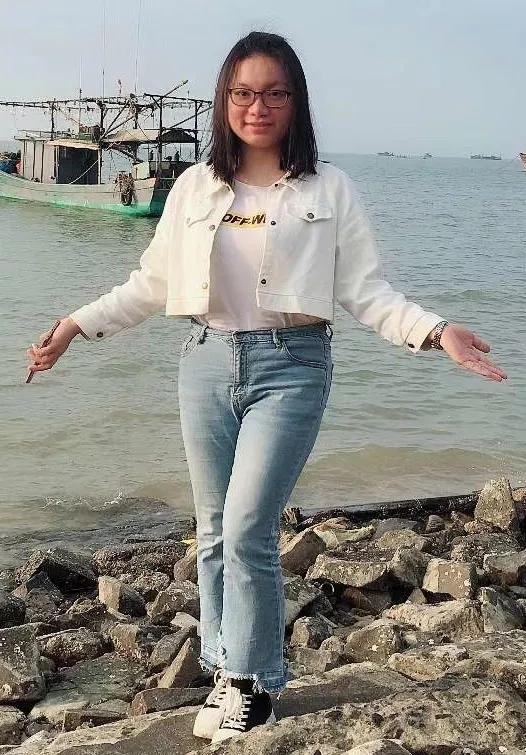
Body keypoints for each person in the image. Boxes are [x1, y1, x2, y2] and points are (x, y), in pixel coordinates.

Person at [26, 30, 507, 743]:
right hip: (205, 361)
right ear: (225, 100)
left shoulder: (329, 188)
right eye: (244, 93)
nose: (258, 107)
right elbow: (149, 284)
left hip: (292, 365)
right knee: (213, 527)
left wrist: (436, 332)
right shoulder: (194, 187)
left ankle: (255, 682)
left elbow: (366, 291)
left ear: (296, 101)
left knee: (249, 524)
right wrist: (73, 325)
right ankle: (224, 668)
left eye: (275, 93)